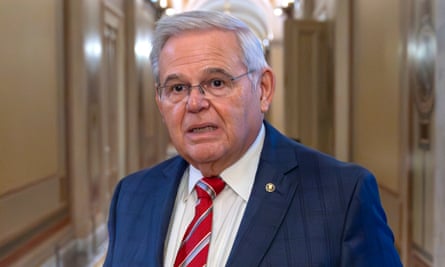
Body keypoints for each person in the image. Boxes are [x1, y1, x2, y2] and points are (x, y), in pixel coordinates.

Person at [104, 10, 402, 267]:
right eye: (178, 88)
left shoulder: (342, 196)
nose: (194, 103)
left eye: (216, 82)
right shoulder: (132, 196)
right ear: (160, 102)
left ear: (263, 89)